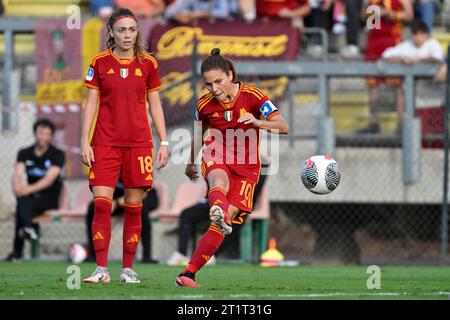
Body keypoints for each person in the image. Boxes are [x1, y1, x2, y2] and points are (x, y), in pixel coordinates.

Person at [175, 48, 289, 288]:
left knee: (223, 224)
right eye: (208, 84)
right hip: (218, 152)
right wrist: (190, 162)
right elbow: (200, 134)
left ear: (231, 75)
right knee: (219, 181)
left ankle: (188, 274)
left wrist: (258, 121)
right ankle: (218, 206)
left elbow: (283, 126)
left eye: (219, 81)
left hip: (247, 167)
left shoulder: (254, 96)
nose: (214, 89)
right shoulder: (204, 104)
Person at [80, 8, 169, 284]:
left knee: (134, 207)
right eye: (121, 30)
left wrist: (164, 141)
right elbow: (91, 103)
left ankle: (128, 269)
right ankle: (101, 269)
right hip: (104, 143)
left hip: (139, 144)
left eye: (132, 30)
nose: (127, 35)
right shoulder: (99, 63)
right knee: (102, 205)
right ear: (111, 32)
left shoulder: (149, 64)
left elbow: (155, 104)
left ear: (137, 32)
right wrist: (84, 139)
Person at [167, 164, 268, 265]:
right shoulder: (227, 156)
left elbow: (251, 195)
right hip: (218, 201)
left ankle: (210, 255)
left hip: (238, 205)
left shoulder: (259, 166)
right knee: (187, 214)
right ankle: (181, 254)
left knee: (233, 224)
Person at [6, 119, 65, 262]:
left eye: (47, 134)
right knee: (23, 202)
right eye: (40, 132)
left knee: (22, 204)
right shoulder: (24, 153)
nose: (43, 136)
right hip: (31, 197)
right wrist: (16, 186)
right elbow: (18, 173)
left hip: (50, 198)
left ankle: (17, 251)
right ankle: (26, 230)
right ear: (35, 133)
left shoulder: (57, 154)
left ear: (51, 136)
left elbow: (49, 180)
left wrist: (26, 189)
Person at [358, 0, 414, 134]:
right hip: (373, 40)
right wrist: (372, 12)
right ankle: (374, 122)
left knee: (397, 84)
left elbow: (409, 15)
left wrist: (391, 14)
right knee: (372, 83)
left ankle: (401, 123)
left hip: (392, 39)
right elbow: (363, 17)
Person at [380, 19, 443, 133]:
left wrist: (416, 60)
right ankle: (401, 126)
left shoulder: (433, 43)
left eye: (421, 34)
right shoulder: (407, 45)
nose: (418, 37)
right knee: (400, 88)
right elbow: (386, 55)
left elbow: (437, 58)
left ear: (426, 35)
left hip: (432, 93)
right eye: (415, 34)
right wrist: (402, 59)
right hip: (414, 95)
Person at [85, 178, 159, 264]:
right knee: (93, 207)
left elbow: (144, 191)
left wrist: (119, 202)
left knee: (141, 211)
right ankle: (93, 254)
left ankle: (147, 256)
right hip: (116, 198)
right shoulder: (110, 168)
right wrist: (108, 201)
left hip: (141, 196)